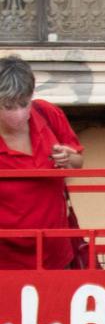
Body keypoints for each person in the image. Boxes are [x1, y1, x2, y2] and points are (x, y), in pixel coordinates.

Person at [0, 56, 84, 271]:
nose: (18, 114)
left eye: (24, 103)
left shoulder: (47, 113)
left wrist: (68, 157)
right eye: (8, 106)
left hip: (56, 252)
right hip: (6, 261)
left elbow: (78, 161)